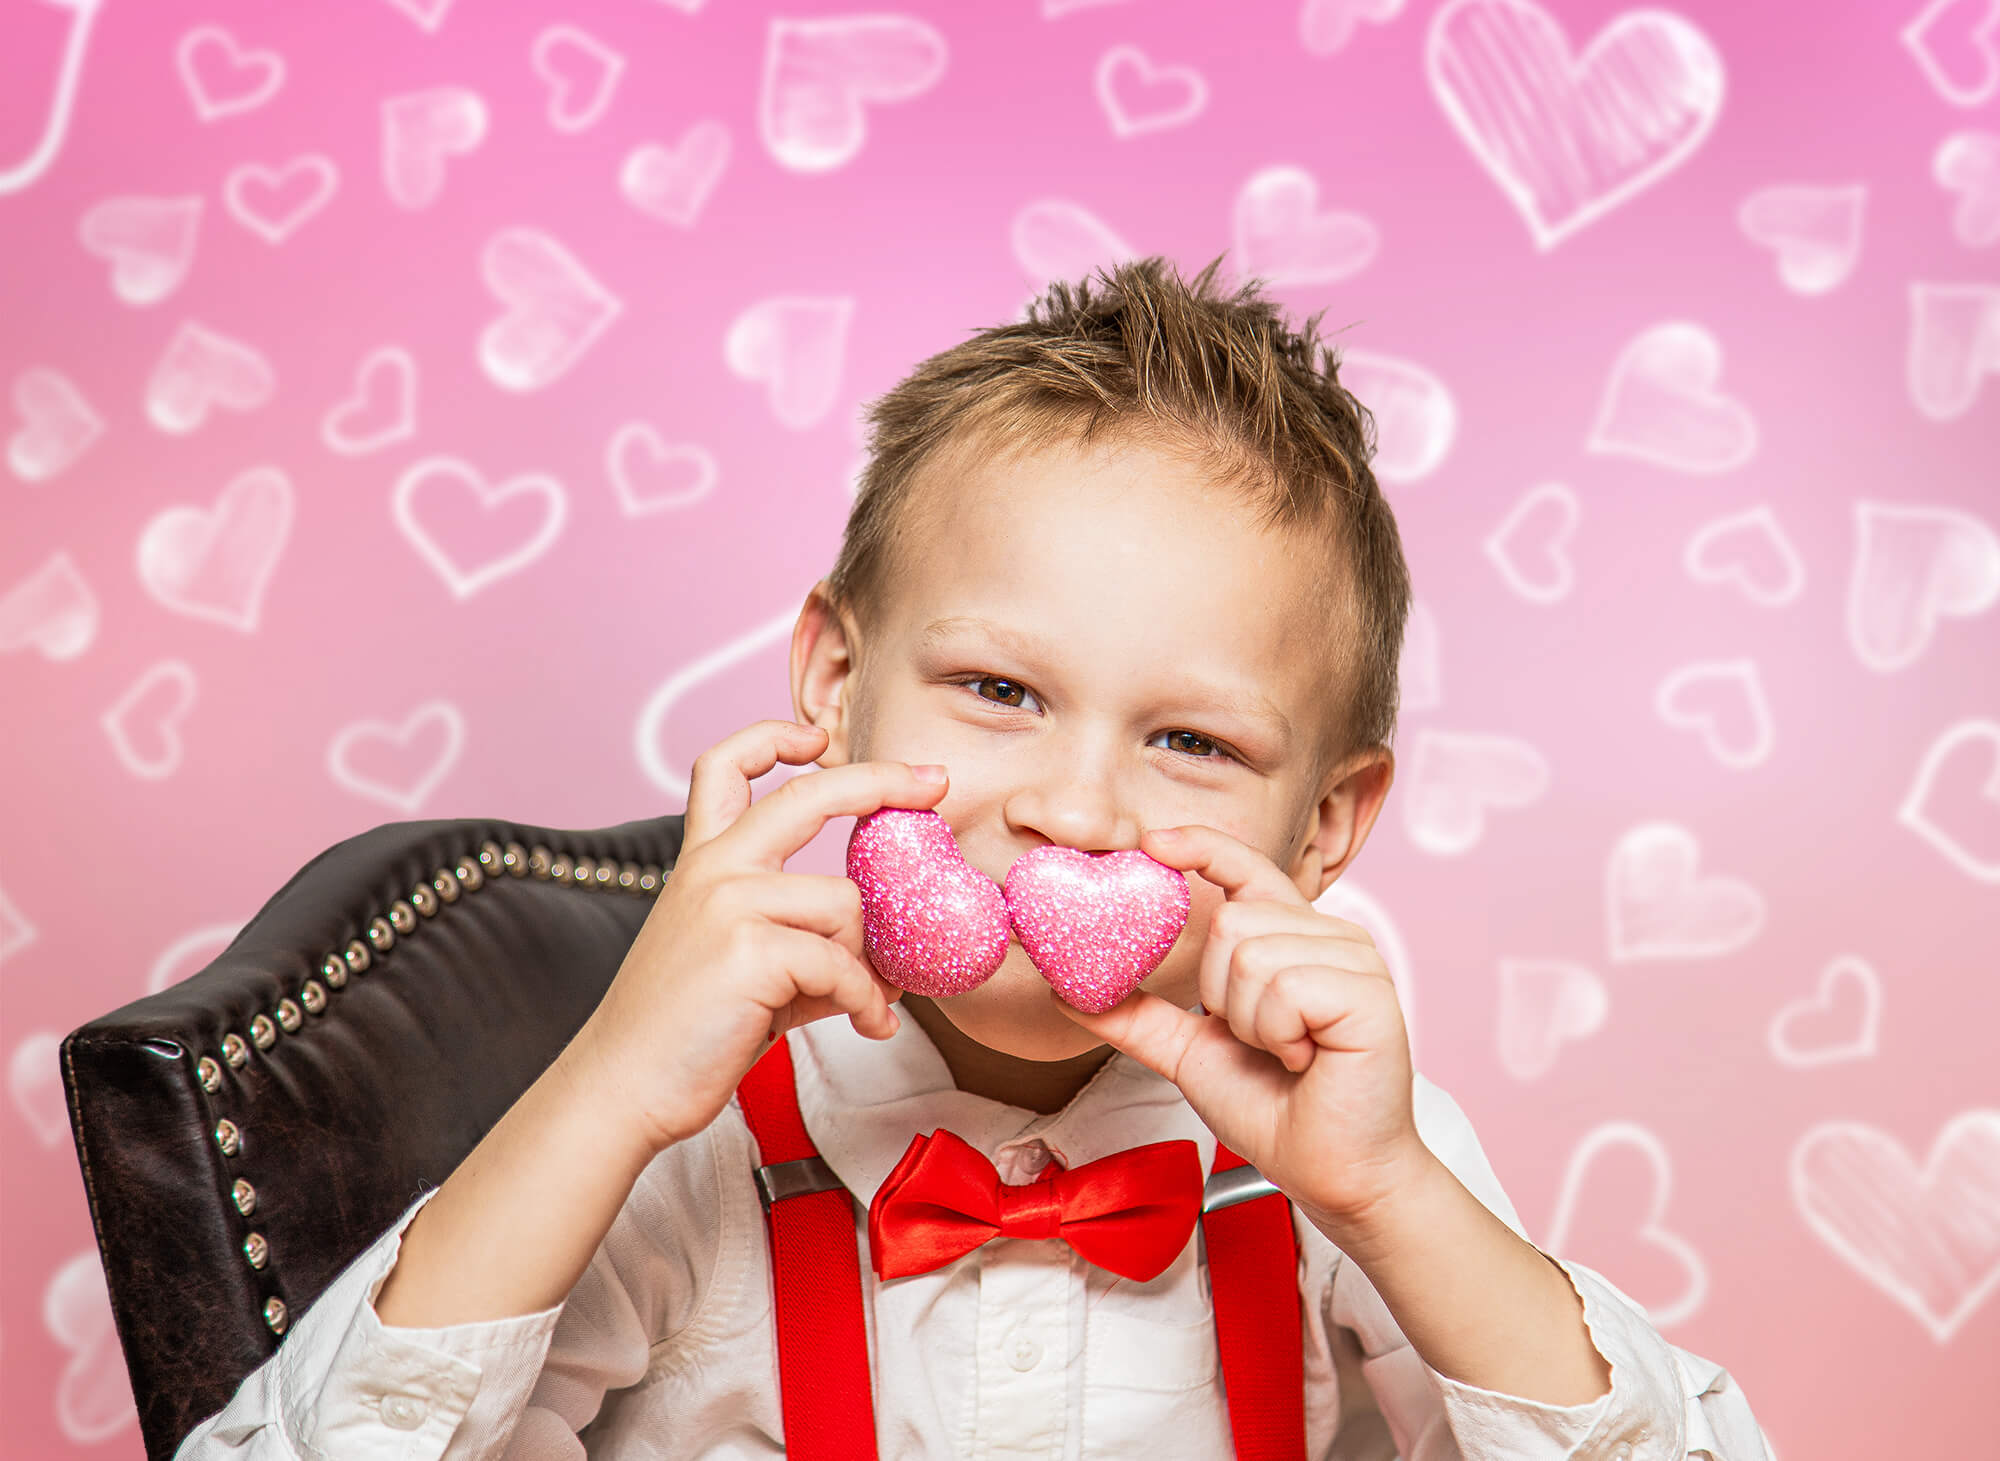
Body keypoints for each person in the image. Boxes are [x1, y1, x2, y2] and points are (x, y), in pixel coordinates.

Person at [175, 255, 1769, 1459]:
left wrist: (1395, 1195)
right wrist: (609, 1089)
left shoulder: (1348, 1138)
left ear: (1330, 822)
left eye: (1192, 742)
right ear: (830, 680)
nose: (1071, 809)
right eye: (1000, 692)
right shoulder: (683, 1134)